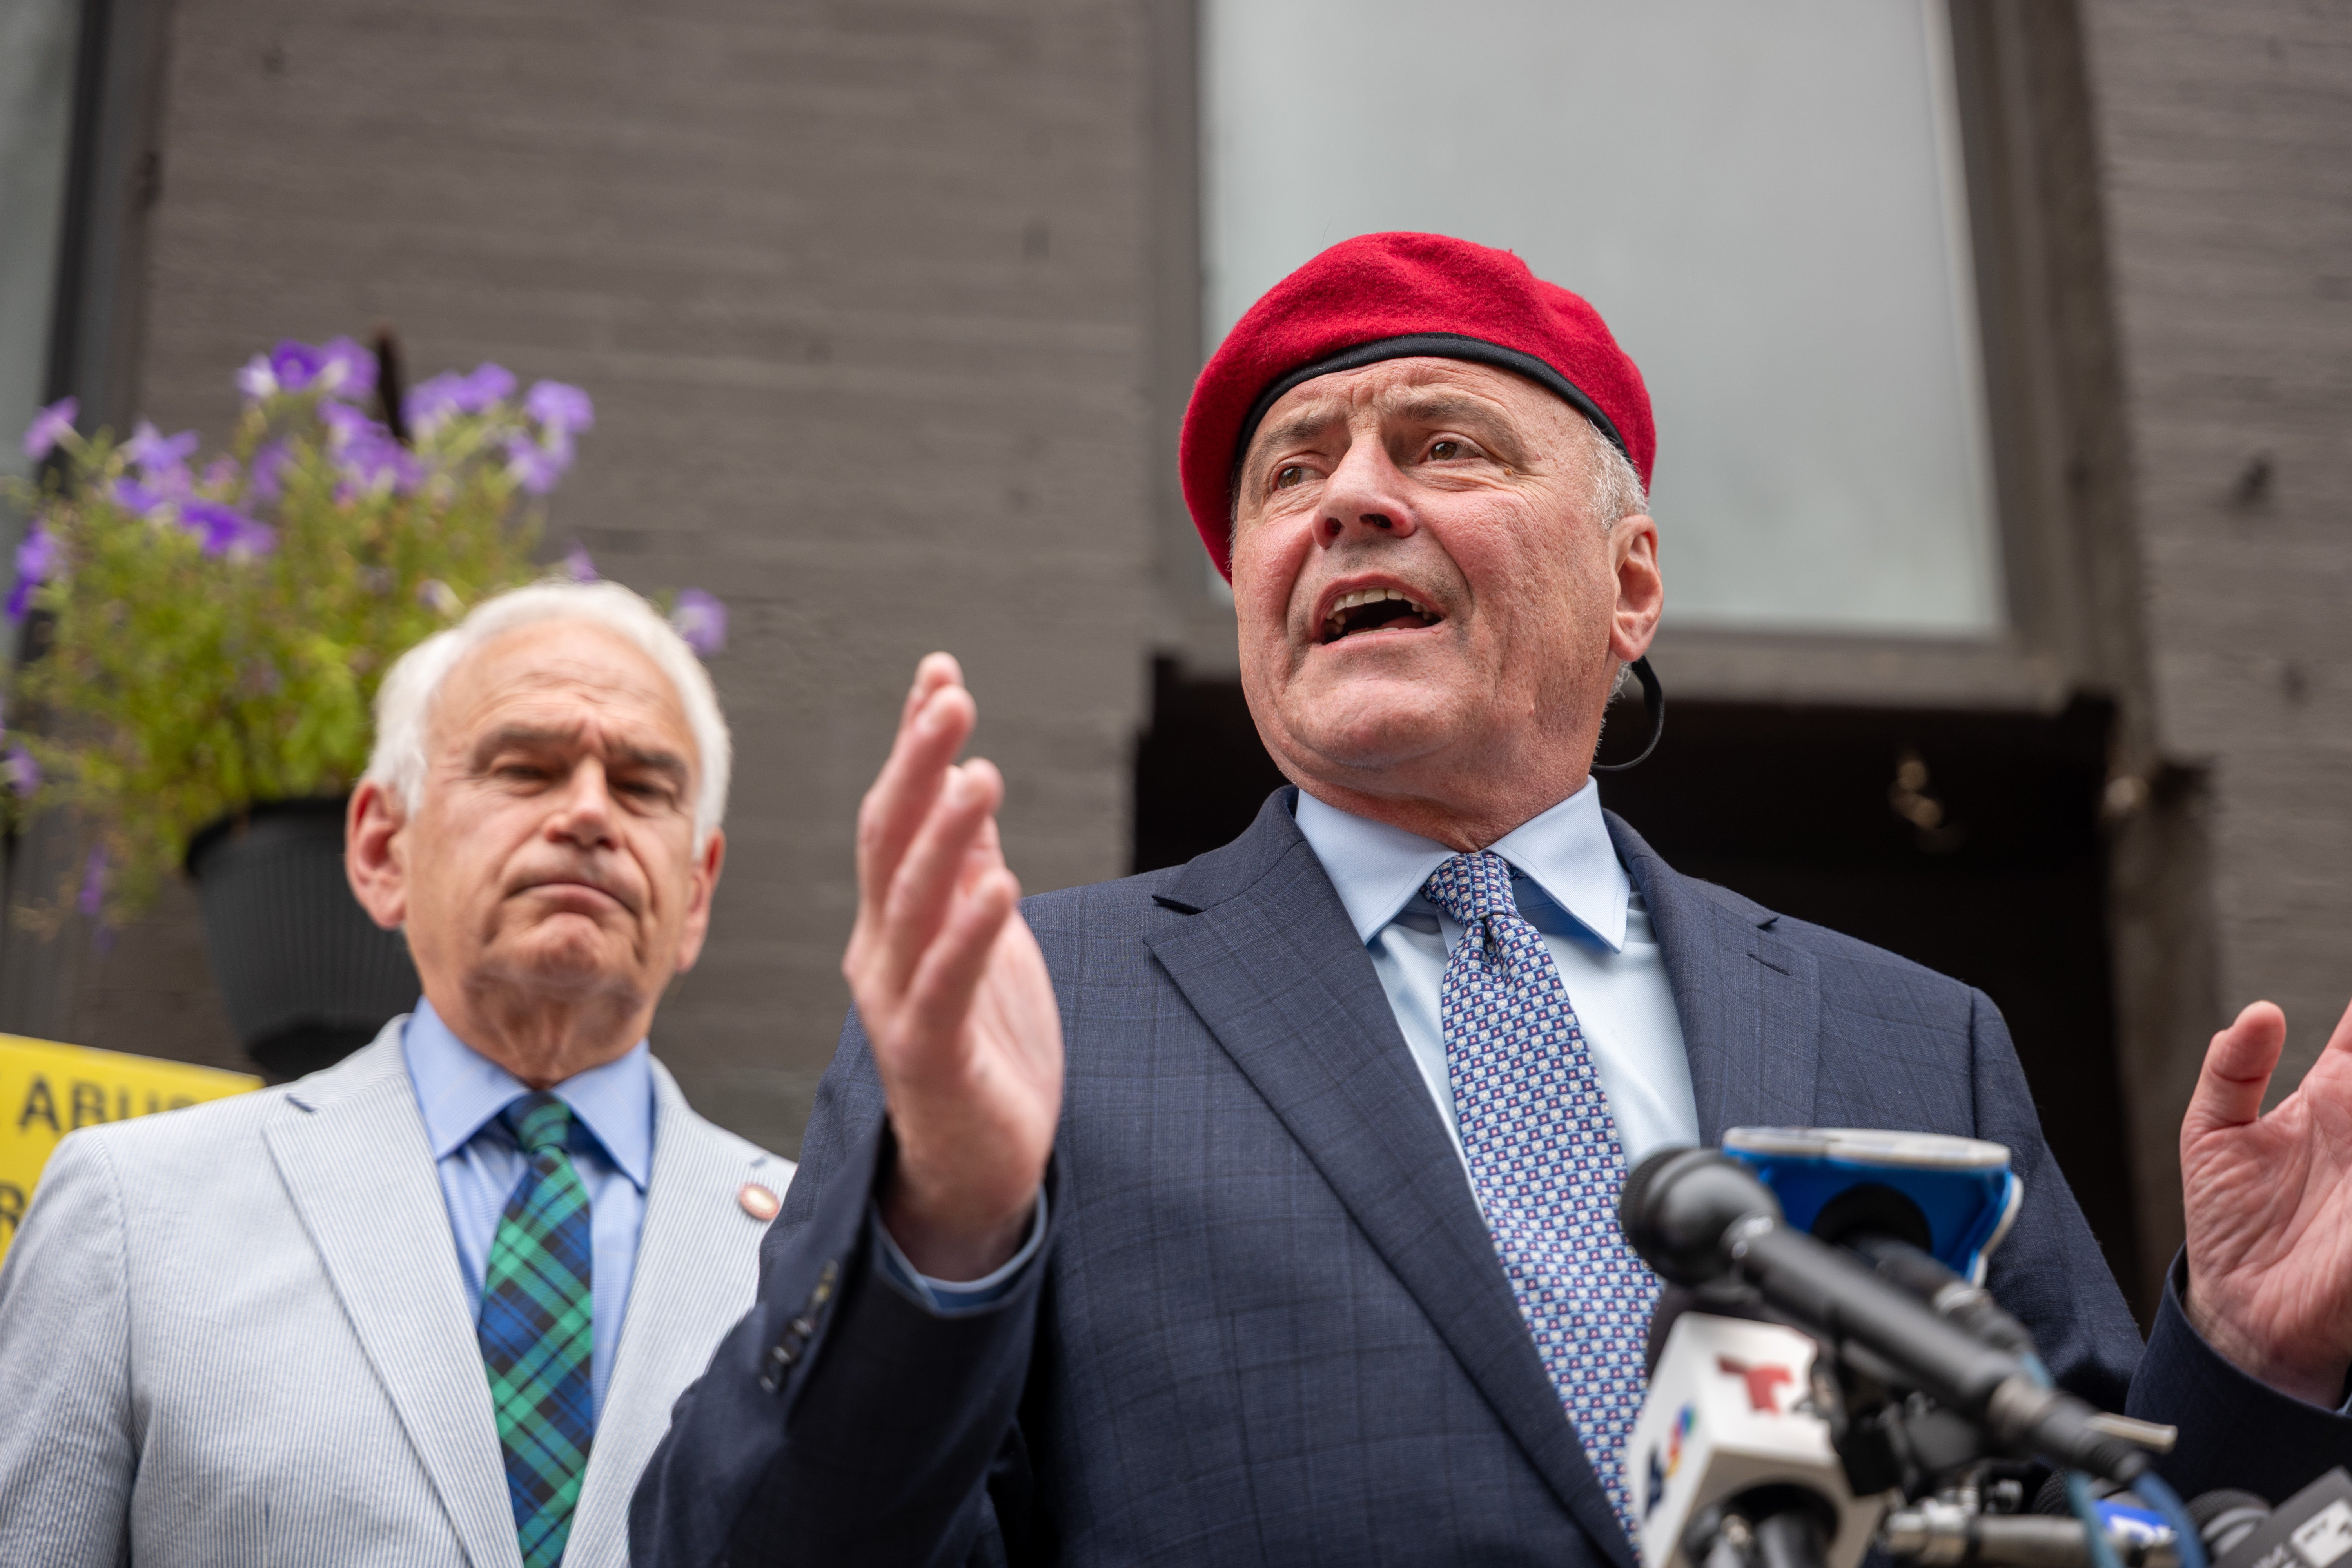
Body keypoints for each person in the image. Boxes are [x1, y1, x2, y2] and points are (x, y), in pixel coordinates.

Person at [633, 234, 2352, 1566]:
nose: (1349, 498)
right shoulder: (1026, 1018)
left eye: (1443, 442)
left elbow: (2112, 1526)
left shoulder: (1915, 1040)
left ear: (1632, 582)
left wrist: (2247, 1367)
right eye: (1290, 473)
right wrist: (939, 1234)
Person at [0, 580, 789, 1568]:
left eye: (643, 786)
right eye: (526, 767)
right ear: (381, 847)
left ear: (697, 891)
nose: (590, 812)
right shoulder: (131, 1213)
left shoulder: (823, 1253)